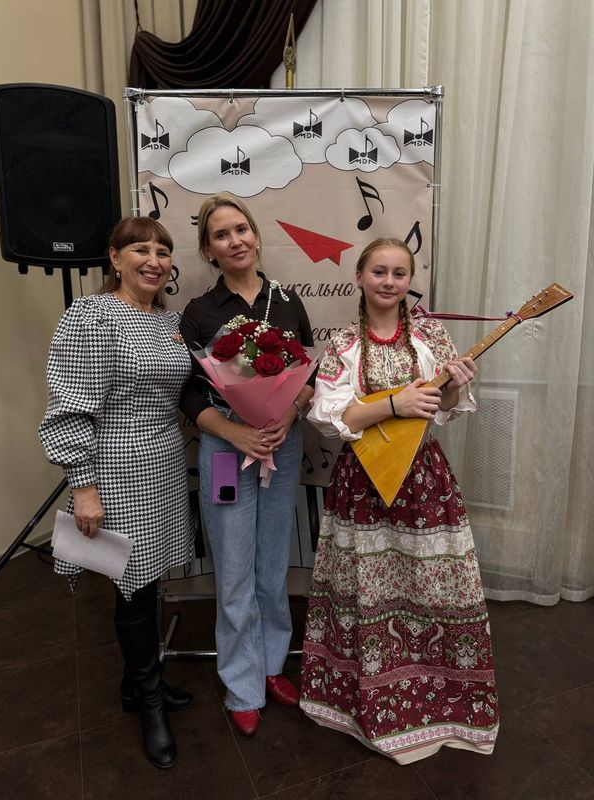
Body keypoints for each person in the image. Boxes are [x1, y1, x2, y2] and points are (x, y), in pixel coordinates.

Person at [299, 237, 499, 763]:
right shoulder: (344, 343)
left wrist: (453, 385)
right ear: (359, 277)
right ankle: (365, 701)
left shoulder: (431, 335)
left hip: (423, 478)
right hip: (362, 481)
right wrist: (395, 402)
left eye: (399, 273)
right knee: (366, 588)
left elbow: (444, 407)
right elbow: (332, 416)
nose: (389, 281)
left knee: (432, 586)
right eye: (379, 271)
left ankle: (440, 699)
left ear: (410, 281)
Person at [39, 217, 195, 770]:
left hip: (165, 461)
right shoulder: (92, 315)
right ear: (114, 258)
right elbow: (69, 405)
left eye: (163, 251)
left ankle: (138, 684)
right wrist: (83, 485)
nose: (154, 260)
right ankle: (148, 702)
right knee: (131, 585)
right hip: (117, 465)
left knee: (148, 582)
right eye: (140, 250)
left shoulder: (169, 321)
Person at [180, 192, 314, 736]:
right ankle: (241, 684)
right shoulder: (200, 312)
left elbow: (309, 376)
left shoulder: (288, 302)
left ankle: (272, 666)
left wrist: (290, 414)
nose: (234, 240)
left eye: (241, 229)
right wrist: (233, 431)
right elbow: (190, 392)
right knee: (234, 570)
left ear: (256, 235)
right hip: (224, 451)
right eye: (221, 234)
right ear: (208, 250)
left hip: (282, 444)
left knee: (272, 563)